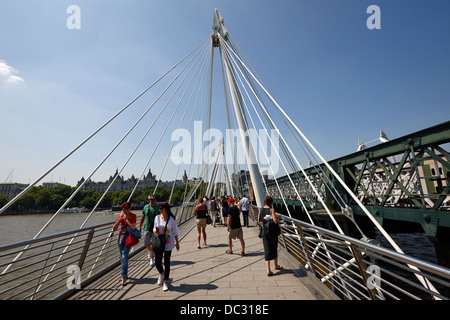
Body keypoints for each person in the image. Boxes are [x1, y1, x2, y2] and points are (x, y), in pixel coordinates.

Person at [153, 202, 180, 292]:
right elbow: (154, 229)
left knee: (167, 262)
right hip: (159, 242)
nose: (160, 210)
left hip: (168, 242)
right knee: (157, 262)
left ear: (166, 209)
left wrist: (177, 242)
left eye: (161, 208)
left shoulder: (171, 219)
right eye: (159, 208)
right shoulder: (157, 217)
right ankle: (162, 274)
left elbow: (175, 231)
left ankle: (165, 281)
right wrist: (156, 231)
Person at [112, 201, 137, 286]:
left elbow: (133, 227)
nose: (124, 212)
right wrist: (119, 220)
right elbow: (114, 228)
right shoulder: (121, 216)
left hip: (128, 238)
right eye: (123, 210)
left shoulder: (133, 216)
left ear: (129, 209)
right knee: (122, 257)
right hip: (120, 238)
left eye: (125, 210)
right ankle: (125, 274)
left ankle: (123, 276)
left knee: (124, 255)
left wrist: (127, 220)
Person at [258, 196, 283, 276]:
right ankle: (276, 265)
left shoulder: (261, 209)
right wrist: (278, 218)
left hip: (264, 231)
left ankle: (268, 270)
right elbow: (275, 221)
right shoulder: (271, 209)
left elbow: (259, 220)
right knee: (274, 247)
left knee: (267, 249)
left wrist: (266, 219)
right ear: (271, 202)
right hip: (272, 232)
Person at [139, 195, 159, 266]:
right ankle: (150, 251)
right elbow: (143, 217)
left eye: (153, 199)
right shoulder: (146, 207)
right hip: (146, 228)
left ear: (156, 200)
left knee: (153, 244)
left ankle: (152, 259)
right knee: (146, 243)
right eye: (150, 199)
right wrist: (139, 226)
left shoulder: (158, 208)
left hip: (155, 229)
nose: (151, 201)